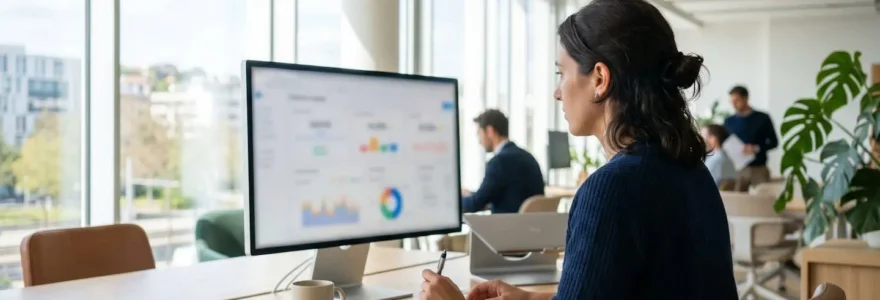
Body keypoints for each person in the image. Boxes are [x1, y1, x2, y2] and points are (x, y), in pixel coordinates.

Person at [420, 1, 737, 299]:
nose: (557, 92)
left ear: (600, 78)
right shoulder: (691, 171)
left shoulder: (611, 189)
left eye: (562, 73)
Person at [460, 109, 544, 214]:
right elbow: (495, 194)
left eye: (479, 133)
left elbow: (475, 204)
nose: (479, 141)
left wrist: (455, 201)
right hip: (531, 227)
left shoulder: (499, 162)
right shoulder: (528, 157)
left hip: (506, 227)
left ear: (490, 131)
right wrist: (471, 194)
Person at [724, 85, 778, 191]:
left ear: (746, 98)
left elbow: (774, 142)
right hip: (737, 170)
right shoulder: (728, 121)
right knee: (737, 203)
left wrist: (756, 148)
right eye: (732, 101)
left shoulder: (763, 118)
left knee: (763, 201)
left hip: (759, 168)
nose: (734, 104)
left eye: (737, 100)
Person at [701, 124, 736, 189]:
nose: (701, 140)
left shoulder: (715, 160)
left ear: (713, 138)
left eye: (703, 136)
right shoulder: (726, 158)